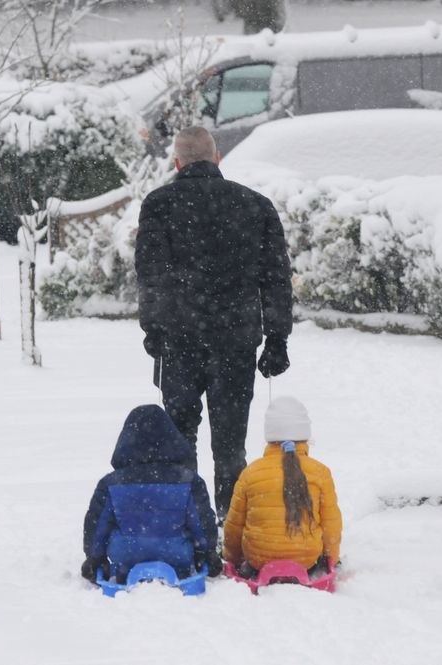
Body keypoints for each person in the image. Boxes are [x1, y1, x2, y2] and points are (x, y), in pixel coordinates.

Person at [135, 126, 293, 522]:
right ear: (217, 158)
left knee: (180, 436)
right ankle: (231, 519)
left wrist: (153, 329)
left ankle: (187, 520)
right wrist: (277, 339)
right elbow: (274, 277)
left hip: (180, 338)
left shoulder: (159, 205)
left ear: (178, 162)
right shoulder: (255, 206)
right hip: (235, 340)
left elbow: (151, 274)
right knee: (230, 443)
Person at [81, 405, 222, 583]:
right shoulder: (188, 480)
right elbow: (201, 523)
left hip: (127, 557)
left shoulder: (111, 483)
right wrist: (206, 552)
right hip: (177, 556)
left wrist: (94, 558)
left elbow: (97, 526)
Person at [223, 397, 342, 576]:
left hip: (259, 559)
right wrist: (332, 558)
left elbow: (235, 525)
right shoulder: (320, 473)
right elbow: (330, 524)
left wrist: (231, 557)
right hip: (306, 559)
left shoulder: (251, 472)